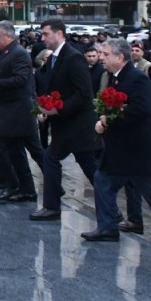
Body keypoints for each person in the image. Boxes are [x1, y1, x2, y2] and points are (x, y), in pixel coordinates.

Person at [80, 39, 151, 258]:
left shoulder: (138, 78)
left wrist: (108, 120)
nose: (102, 57)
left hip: (141, 153)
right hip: (120, 152)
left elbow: (140, 110)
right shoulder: (113, 78)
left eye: (106, 54)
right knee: (102, 181)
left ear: (120, 57)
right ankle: (108, 226)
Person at [31, 18, 100, 222]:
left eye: (46, 34)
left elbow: (83, 94)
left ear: (59, 34)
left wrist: (58, 111)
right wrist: (47, 107)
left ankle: (111, 210)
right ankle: (51, 207)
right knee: (52, 159)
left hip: (78, 125)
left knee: (90, 167)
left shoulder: (74, 57)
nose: (42, 38)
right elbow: (57, 89)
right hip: (65, 125)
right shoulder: (54, 58)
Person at [0, 21, 38, 203]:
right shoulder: (6, 53)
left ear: (8, 36)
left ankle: (14, 184)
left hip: (15, 109)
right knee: (14, 149)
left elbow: (21, 79)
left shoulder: (19, 54)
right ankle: (24, 188)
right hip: (6, 106)